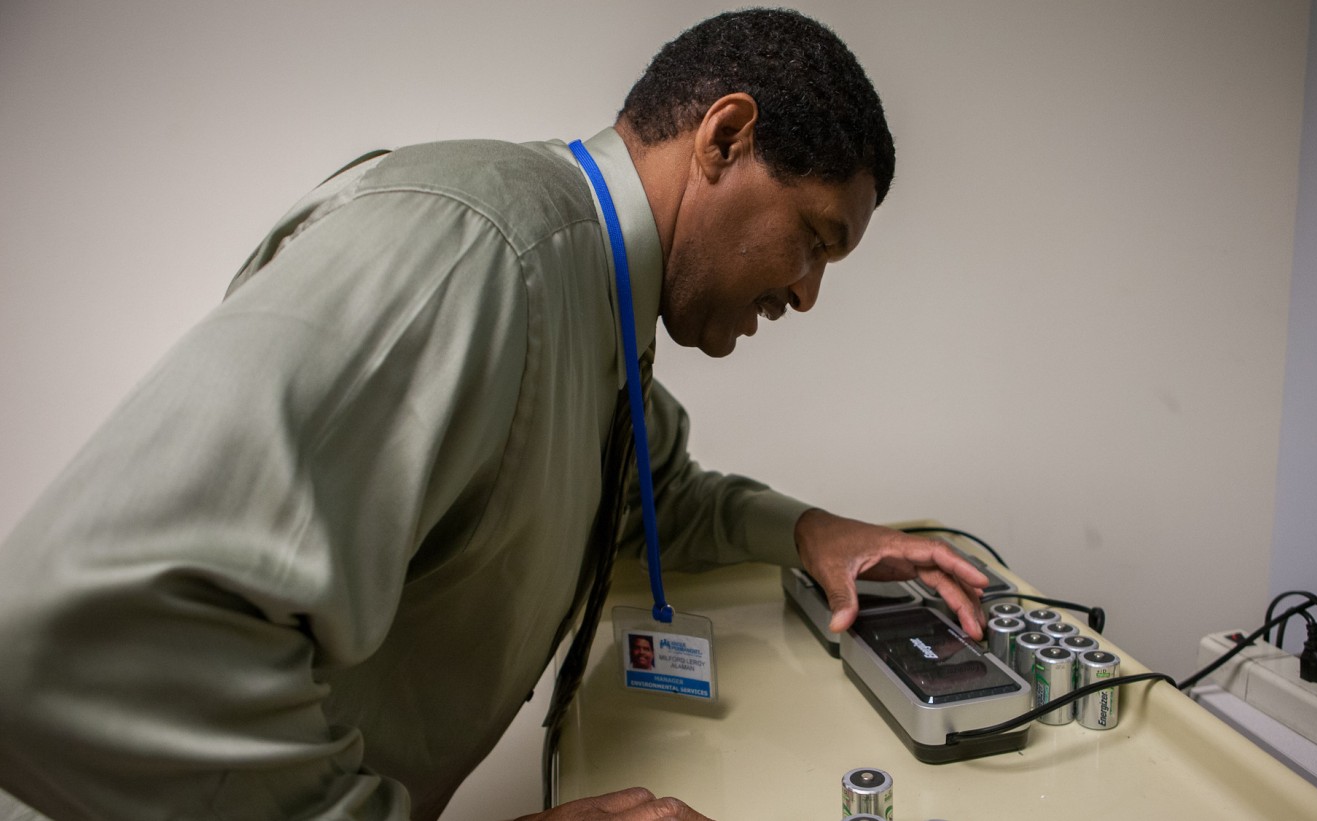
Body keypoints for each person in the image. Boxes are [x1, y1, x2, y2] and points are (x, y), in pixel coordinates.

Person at [0, 9, 989, 821]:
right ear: (724, 137)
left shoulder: (587, 293)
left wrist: (813, 532)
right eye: (812, 240)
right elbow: (75, 634)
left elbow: (645, 492)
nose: (807, 293)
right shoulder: (482, 250)